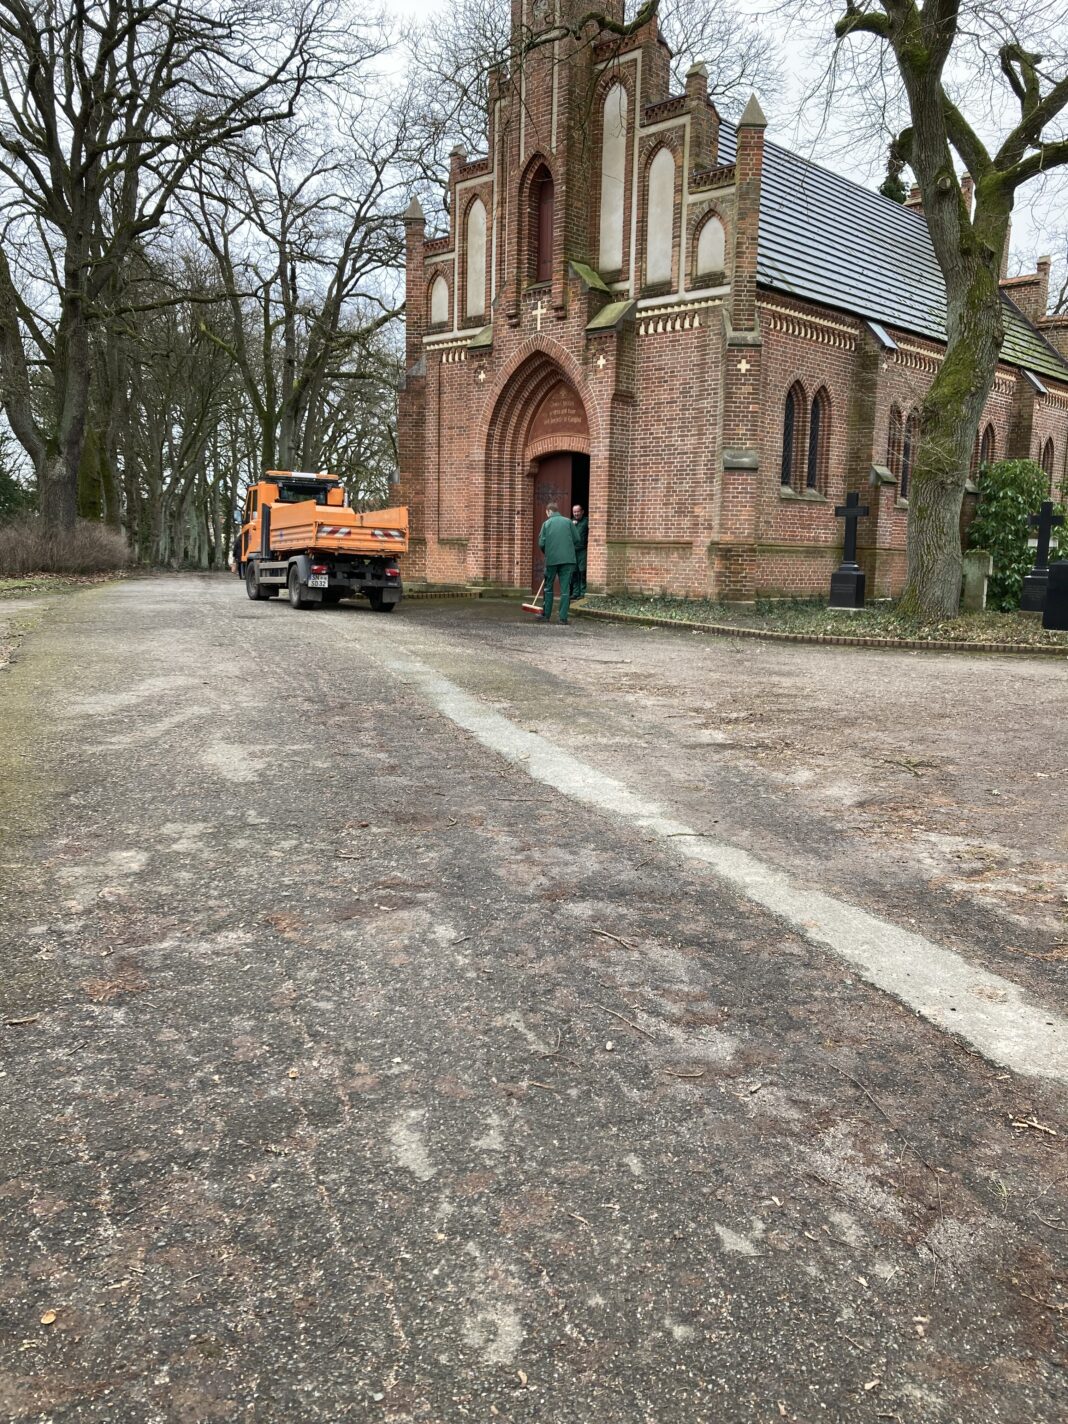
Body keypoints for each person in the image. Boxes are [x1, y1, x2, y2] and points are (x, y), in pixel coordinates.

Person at [537, 501, 578, 624]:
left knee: (548, 587)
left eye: (547, 513)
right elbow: (577, 539)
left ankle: (546, 615)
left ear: (549, 511)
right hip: (568, 560)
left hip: (552, 560)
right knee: (565, 589)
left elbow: (541, 543)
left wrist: (548, 552)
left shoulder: (546, 524)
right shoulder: (568, 522)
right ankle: (563, 618)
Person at [571, 503, 588, 599]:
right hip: (572, 552)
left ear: (582, 512)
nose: (576, 514)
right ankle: (575, 592)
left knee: (582, 572)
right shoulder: (570, 522)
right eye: (574, 512)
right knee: (574, 572)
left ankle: (582, 593)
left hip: (582, 551)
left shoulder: (586, 521)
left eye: (578, 511)